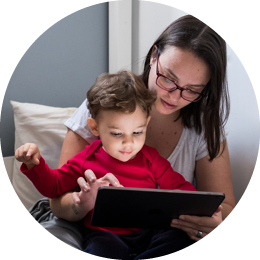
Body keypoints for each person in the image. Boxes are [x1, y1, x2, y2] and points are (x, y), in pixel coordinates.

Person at [42, 14, 235, 250]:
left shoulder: (204, 127)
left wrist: (212, 222)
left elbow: (224, 207)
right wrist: (80, 203)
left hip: (163, 237)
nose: (174, 97)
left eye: (193, 90)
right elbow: (58, 200)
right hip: (97, 234)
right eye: (168, 79)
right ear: (154, 56)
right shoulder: (106, 105)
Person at [16, 70, 197, 259]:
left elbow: (180, 188)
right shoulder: (87, 159)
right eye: (117, 134)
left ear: (146, 123)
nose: (129, 144)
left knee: (182, 239)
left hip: (148, 233)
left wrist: (203, 207)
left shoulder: (152, 159)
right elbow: (53, 186)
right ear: (95, 127)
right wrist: (34, 163)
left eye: (137, 132)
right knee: (102, 249)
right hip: (104, 235)